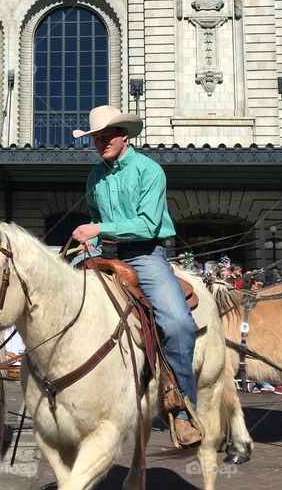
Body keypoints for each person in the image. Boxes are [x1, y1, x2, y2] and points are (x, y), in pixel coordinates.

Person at [70, 105, 201, 447]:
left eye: (105, 137)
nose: (100, 144)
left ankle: (184, 409)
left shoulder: (150, 171)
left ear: (123, 136)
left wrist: (99, 228)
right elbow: (96, 218)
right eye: (95, 139)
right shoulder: (94, 176)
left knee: (176, 323)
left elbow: (147, 225)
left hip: (145, 254)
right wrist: (90, 242)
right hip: (104, 254)